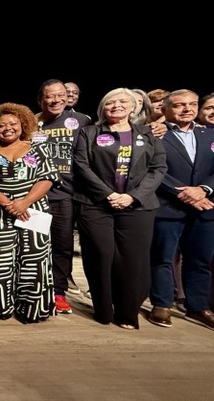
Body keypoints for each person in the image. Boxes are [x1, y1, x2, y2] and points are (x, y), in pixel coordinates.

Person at [73, 88, 167, 330]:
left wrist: (132, 196)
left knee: (132, 260)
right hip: (95, 204)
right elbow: (82, 165)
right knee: (100, 256)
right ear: (102, 108)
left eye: (122, 101)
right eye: (110, 102)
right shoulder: (89, 132)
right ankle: (103, 309)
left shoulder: (149, 134)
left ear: (134, 106)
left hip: (137, 206)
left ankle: (127, 314)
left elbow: (158, 168)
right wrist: (109, 194)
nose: (116, 106)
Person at [0, 103, 60, 323]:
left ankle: (32, 309)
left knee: (34, 260)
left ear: (23, 125)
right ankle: (3, 306)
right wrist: (9, 205)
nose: (7, 128)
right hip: (1, 214)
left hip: (33, 212)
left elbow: (47, 177)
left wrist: (25, 203)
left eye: (12, 124)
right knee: (2, 262)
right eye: (1, 125)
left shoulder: (38, 149)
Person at [148, 89, 214, 330]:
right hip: (168, 206)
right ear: (165, 109)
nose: (187, 109)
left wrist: (204, 189)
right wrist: (182, 192)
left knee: (200, 260)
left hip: (205, 207)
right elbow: (153, 168)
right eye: (179, 105)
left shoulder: (210, 133)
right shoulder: (155, 134)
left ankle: (198, 307)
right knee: (162, 258)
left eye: (192, 104)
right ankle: (162, 304)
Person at [36, 79, 92, 313]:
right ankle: (37, 290)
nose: (56, 100)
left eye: (61, 95)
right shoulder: (32, 122)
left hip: (66, 196)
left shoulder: (82, 121)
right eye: (50, 96)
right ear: (41, 99)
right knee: (36, 247)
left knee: (62, 247)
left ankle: (58, 292)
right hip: (36, 197)